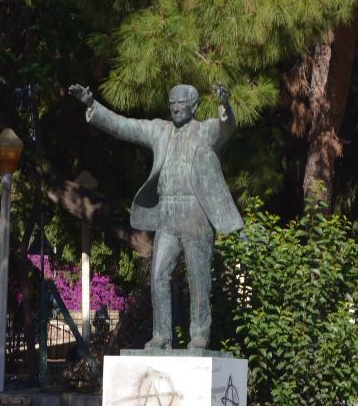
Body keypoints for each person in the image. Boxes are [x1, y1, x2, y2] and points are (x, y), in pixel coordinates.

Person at [69, 82, 242, 350]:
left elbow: (226, 127)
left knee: (198, 279)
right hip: (167, 214)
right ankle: (161, 335)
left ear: (194, 106)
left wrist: (224, 106)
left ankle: (199, 334)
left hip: (196, 213)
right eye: (171, 103)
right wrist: (93, 106)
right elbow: (124, 126)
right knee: (159, 274)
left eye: (181, 104)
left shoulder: (205, 130)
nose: (175, 108)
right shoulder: (159, 130)